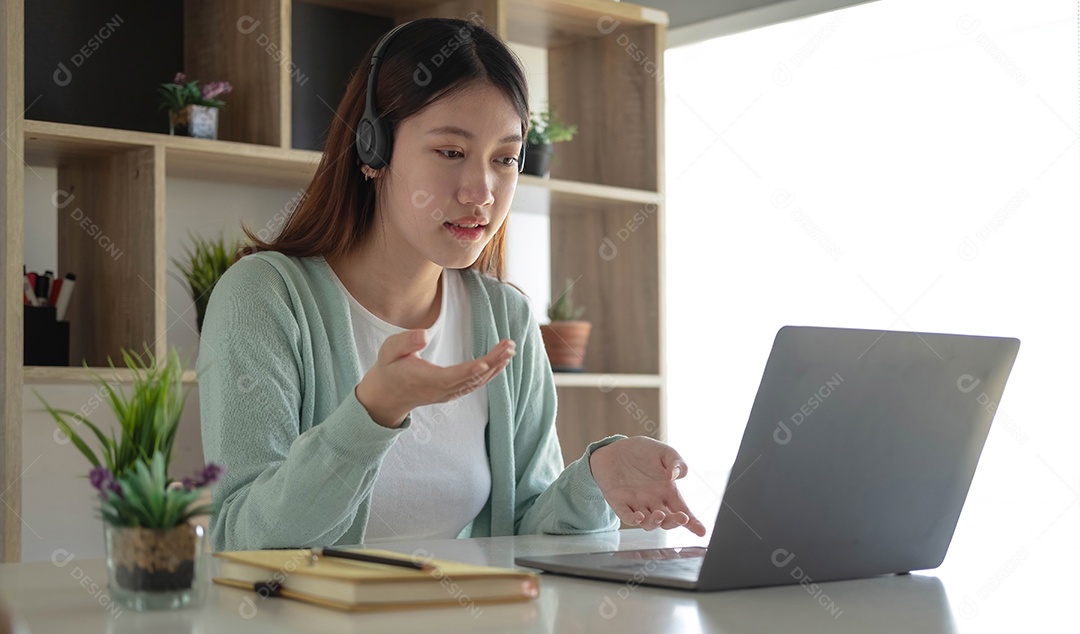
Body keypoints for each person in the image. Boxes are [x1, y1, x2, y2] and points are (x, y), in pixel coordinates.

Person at [198, 17, 706, 552]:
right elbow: (242, 540)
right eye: (451, 152)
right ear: (373, 150)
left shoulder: (505, 318)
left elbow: (525, 531)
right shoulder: (263, 297)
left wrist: (593, 480)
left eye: (504, 159)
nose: (481, 192)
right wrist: (372, 413)